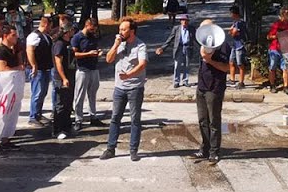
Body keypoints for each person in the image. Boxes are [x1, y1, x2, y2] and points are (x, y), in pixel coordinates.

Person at [101, 18, 149, 161]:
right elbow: (108, 59)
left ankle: (133, 150)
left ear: (131, 31)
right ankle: (110, 148)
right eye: (120, 29)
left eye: (123, 29)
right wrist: (115, 45)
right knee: (115, 118)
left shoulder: (140, 46)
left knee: (135, 119)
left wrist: (128, 75)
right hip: (119, 88)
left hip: (135, 87)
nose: (120, 32)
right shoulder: (119, 44)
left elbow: (142, 64)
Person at [193, 19, 231, 163]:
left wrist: (210, 61)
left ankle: (214, 151)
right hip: (202, 86)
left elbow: (226, 68)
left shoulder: (223, 45)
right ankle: (205, 148)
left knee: (214, 120)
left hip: (214, 87)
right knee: (203, 120)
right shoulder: (203, 45)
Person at [0, 25, 24, 157]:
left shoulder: (13, 50)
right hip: (1, 90)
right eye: (13, 35)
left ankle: (5, 140)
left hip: (12, 89)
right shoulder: (0, 52)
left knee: (10, 115)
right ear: (5, 36)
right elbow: (2, 70)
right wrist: (18, 68)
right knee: (0, 116)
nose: (16, 38)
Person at [71, 18, 104, 128]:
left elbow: (96, 47)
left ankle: (93, 116)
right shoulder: (77, 37)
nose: (93, 31)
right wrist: (88, 54)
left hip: (94, 68)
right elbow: (74, 54)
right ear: (87, 25)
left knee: (92, 94)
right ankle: (78, 119)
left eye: (94, 29)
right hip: (82, 69)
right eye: (92, 29)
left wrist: (99, 52)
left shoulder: (93, 37)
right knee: (80, 94)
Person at [26, 15, 55, 125]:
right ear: (46, 24)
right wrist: (34, 65)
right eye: (50, 25)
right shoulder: (34, 36)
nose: (51, 28)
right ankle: (33, 116)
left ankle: (38, 113)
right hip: (38, 70)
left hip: (45, 68)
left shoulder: (46, 36)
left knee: (43, 92)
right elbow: (30, 50)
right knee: (37, 93)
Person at [51, 21, 76, 140]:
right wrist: (64, 78)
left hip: (70, 75)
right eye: (72, 29)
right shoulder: (59, 44)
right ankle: (57, 129)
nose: (74, 31)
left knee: (68, 103)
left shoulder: (68, 42)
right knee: (60, 104)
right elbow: (58, 62)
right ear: (67, 31)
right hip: (61, 78)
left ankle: (66, 126)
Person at [157, 13, 195, 88]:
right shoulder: (176, 28)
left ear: (188, 21)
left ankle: (185, 81)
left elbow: (196, 39)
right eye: (183, 20)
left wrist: (203, 47)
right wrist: (163, 48)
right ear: (180, 21)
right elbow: (170, 39)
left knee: (186, 65)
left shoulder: (192, 29)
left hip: (188, 48)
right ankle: (176, 81)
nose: (184, 22)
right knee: (177, 65)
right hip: (179, 48)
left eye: (186, 20)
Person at [266, 7, 288, 92]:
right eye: (286, 14)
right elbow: (268, 36)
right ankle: (272, 85)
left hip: (286, 49)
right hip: (275, 48)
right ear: (282, 15)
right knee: (272, 67)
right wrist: (275, 36)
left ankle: (286, 86)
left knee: (285, 68)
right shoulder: (276, 24)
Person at [228, 6, 248, 89]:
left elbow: (233, 33)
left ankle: (241, 82)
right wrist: (231, 31)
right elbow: (230, 32)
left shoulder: (239, 23)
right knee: (231, 61)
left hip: (240, 45)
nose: (230, 15)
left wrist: (232, 31)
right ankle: (232, 79)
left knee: (240, 63)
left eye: (231, 13)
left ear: (234, 14)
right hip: (234, 45)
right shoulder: (235, 22)